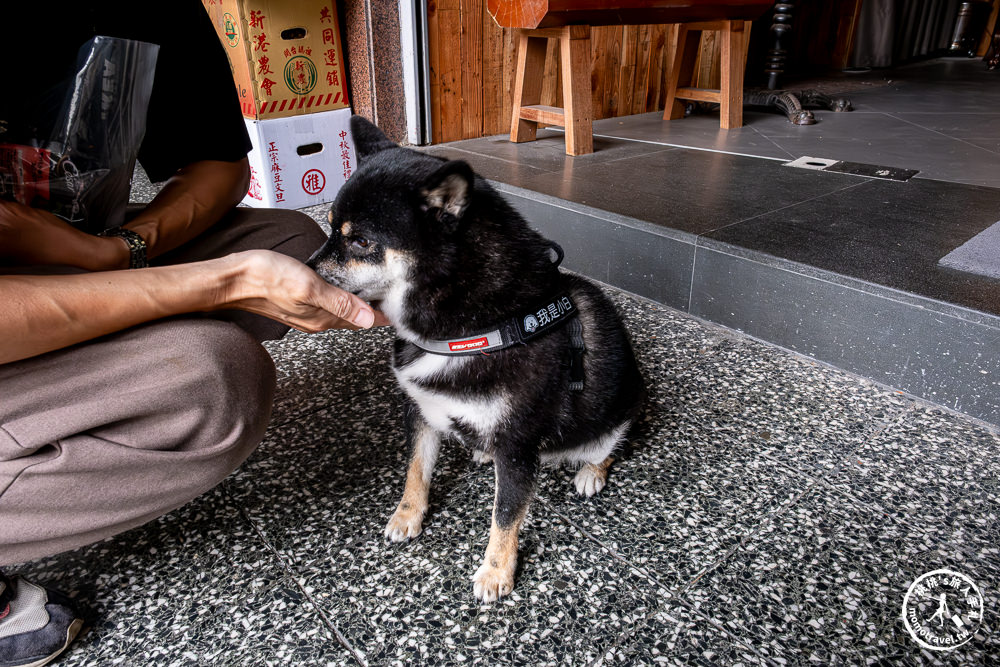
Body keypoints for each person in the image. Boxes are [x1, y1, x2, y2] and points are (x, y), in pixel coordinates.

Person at [0, 4, 383, 665]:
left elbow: (219, 164)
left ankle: (93, 374)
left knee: (293, 243)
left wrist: (118, 253)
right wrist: (218, 283)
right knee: (211, 379)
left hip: (61, 250)